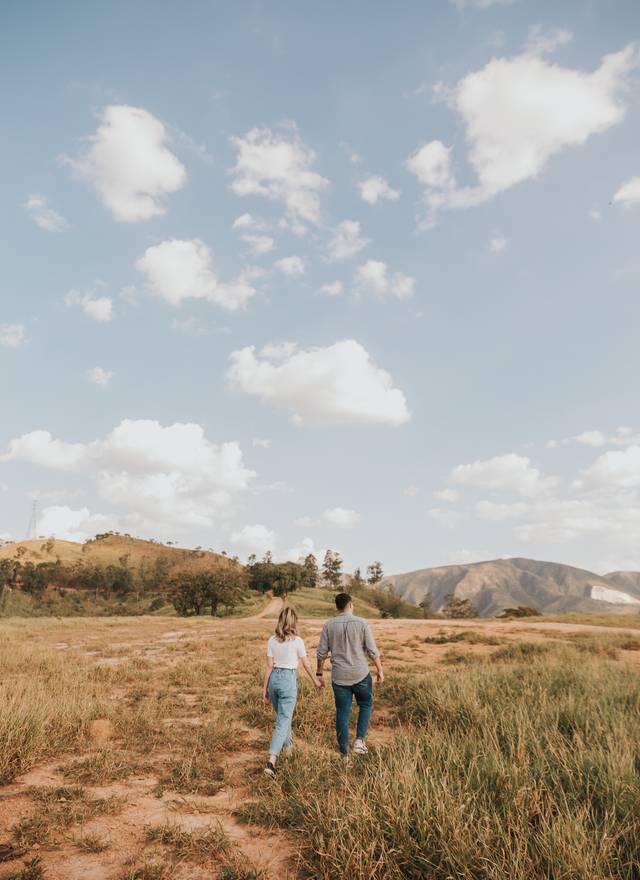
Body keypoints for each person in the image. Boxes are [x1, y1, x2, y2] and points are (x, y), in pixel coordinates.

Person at [316, 592, 384, 761]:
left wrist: (319, 673)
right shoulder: (362, 623)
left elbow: (321, 653)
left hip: (339, 677)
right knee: (366, 704)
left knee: (342, 711)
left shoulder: (329, 625)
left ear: (337, 607)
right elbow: (372, 650)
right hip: (361, 674)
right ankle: (359, 741)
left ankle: (344, 753)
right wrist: (380, 670)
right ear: (351, 605)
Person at [262, 605, 320, 776]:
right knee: (283, 721)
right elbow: (306, 664)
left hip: (274, 681)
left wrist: (264, 690)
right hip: (288, 680)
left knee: (283, 717)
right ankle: (271, 761)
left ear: (280, 621)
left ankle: (289, 750)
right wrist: (315, 680)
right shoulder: (297, 641)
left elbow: (269, 667)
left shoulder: (272, 640)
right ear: (294, 622)